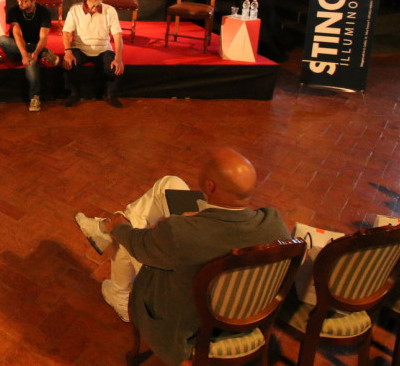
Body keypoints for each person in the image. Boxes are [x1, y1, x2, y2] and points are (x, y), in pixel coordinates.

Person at [73, 147, 290, 366]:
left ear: (209, 186)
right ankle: (102, 237)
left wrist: (117, 226)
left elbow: (139, 245)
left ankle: (109, 254)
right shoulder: (274, 223)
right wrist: (200, 217)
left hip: (186, 326)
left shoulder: (180, 234)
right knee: (170, 184)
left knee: (128, 235)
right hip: (247, 315)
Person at [61, 0, 125, 107]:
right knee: (68, 63)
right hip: (80, 48)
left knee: (115, 67)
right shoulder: (75, 10)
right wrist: (68, 52)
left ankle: (109, 95)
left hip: (103, 49)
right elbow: (66, 32)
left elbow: (117, 36)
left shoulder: (110, 10)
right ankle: (74, 94)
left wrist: (118, 57)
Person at [0, 0, 59, 112]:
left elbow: (43, 37)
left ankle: (34, 97)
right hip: (15, 49)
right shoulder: (14, 11)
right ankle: (44, 53)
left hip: (34, 49)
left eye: (24, 0)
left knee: (31, 64)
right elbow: (17, 34)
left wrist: (35, 52)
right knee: (3, 40)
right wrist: (25, 54)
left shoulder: (44, 13)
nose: (20, 2)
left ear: (34, 1)